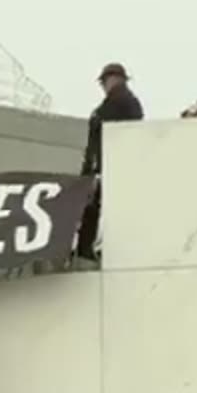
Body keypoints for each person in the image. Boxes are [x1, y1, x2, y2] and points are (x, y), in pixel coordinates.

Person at [76, 62, 144, 262]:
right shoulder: (121, 103)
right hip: (105, 165)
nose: (104, 86)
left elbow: (119, 135)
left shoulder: (123, 102)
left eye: (104, 82)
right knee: (93, 207)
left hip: (109, 166)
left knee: (96, 208)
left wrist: (93, 169)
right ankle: (87, 248)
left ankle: (89, 248)